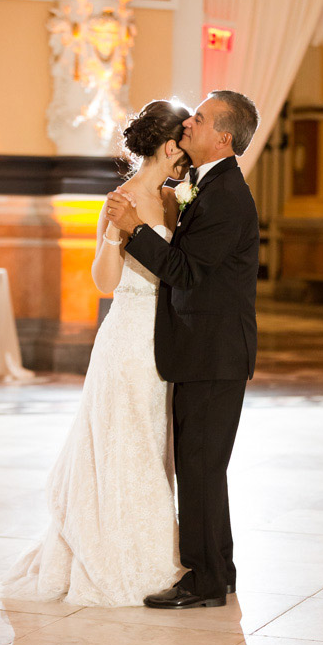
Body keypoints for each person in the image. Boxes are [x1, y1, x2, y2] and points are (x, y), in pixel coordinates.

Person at [0, 100, 191, 607]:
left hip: (165, 335)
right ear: (167, 146)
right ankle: (115, 556)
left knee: (154, 442)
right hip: (126, 335)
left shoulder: (176, 200)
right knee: (120, 441)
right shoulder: (118, 199)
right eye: (183, 141)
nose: (188, 153)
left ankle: (155, 551)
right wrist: (117, 232)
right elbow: (104, 282)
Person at [105, 90, 260, 610]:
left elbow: (185, 272)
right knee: (204, 466)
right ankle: (220, 567)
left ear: (223, 137)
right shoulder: (208, 187)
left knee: (198, 466)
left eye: (200, 117)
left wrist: (132, 232)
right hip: (206, 349)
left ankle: (204, 580)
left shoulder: (226, 196)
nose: (189, 122)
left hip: (213, 352)